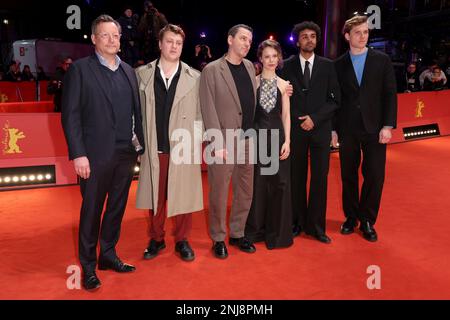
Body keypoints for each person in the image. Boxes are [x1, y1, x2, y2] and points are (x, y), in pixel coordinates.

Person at [61, 15, 145, 291]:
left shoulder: (129, 71)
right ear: (94, 39)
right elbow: (70, 115)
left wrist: (139, 147)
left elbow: (137, 114)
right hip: (94, 156)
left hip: (125, 153)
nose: (112, 40)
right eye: (105, 35)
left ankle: (108, 255)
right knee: (92, 210)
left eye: (116, 35)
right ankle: (87, 266)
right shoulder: (80, 70)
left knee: (117, 207)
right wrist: (78, 154)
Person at [135, 24, 203, 262]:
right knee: (155, 198)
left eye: (178, 43)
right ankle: (156, 238)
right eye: (170, 41)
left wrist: (194, 144)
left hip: (182, 148)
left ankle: (183, 240)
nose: (174, 46)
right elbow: (135, 114)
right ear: (160, 44)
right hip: (154, 147)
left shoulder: (195, 77)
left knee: (183, 197)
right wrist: (137, 143)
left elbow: (200, 116)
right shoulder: (141, 74)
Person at [333, 15, 397, 242]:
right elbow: (335, 99)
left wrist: (388, 125)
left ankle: (367, 219)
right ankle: (351, 217)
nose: (363, 36)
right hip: (347, 127)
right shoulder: (338, 64)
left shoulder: (382, 60)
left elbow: (390, 94)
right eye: (358, 32)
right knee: (348, 175)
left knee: (375, 175)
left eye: (366, 32)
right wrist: (333, 129)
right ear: (347, 36)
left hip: (375, 127)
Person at [278, 21, 340, 244]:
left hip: (320, 131)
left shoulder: (328, 66)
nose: (309, 40)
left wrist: (315, 119)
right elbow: (280, 99)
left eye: (313, 36)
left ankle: (316, 227)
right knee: (296, 178)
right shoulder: (284, 66)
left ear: (317, 39)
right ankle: (297, 223)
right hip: (294, 130)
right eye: (304, 36)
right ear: (297, 40)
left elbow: (335, 100)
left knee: (319, 179)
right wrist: (299, 119)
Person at [200, 24, 257, 259]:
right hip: (223, 140)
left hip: (247, 139)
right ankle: (218, 237)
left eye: (250, 41)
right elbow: (208, 107)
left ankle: (237, 232)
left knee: (245, 190)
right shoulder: (212, 70)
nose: (246, 44)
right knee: (220, 192)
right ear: (230, 39)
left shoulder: (251, 67)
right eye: (243, 38)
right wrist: (216, 142)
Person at [244, 39, 293, 249]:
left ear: (279, 58)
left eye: (275, 56)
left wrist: (288, 141)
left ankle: (277, 234)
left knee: (280, 185)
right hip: (257, 139)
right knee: (257, 185)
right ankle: (255, 231)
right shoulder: (252, 82)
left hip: (278, 138)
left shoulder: (284, 85)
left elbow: (286, 116)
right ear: (260, 59)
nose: (271, 60)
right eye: (267, 57)